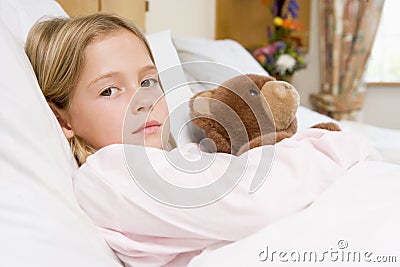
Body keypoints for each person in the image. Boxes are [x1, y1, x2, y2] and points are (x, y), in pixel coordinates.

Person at [25, 13, 379, 267]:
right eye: (109, 90)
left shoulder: (171, 156)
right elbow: (253, 200)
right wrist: (339, 146)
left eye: (148, 81)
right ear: (63, 119)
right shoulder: (108, 178)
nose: (143, 100)